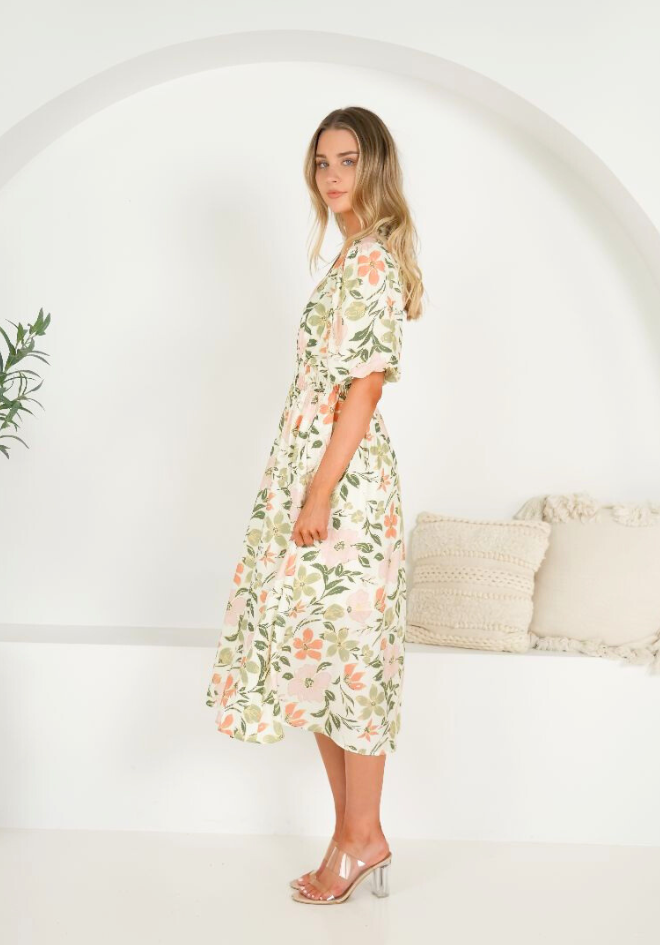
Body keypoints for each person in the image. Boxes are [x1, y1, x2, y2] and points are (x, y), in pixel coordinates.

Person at [205, 105, 424, 904]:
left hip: (345, 487)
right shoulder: (351, 257)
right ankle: (351, 834)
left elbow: (363, 390)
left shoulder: (369, 261)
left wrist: (321, 489)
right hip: (319, 477)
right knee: (324, 660)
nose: (332, 175)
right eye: (323, 162)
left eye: (347, 160)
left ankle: (362, 837)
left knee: (351, 664)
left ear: (375, 167)